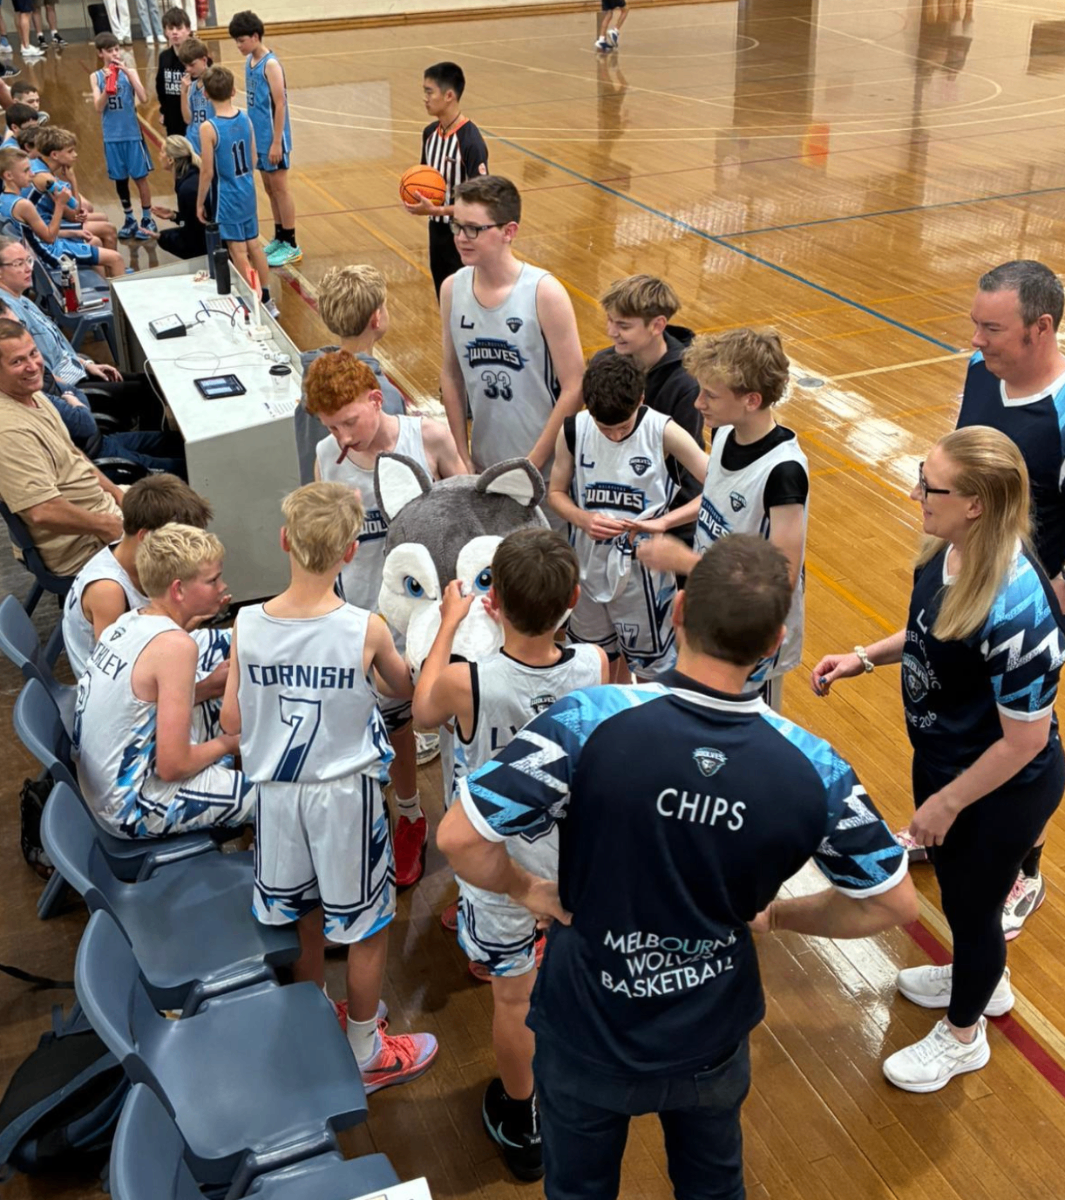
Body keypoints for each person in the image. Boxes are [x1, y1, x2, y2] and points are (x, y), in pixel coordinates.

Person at [437, 533, 916, 1199]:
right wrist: (777, 915)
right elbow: (891, 906)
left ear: (680, 611)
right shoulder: (817, 767)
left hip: (586, 1027)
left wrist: (526, 889)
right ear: (775, 640)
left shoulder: (588, 720)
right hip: (709, 1037)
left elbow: (459, 836)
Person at [812, 427, 1065, 1091]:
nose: (915, 491)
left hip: (999, 788)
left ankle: (963, 1034)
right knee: (961, 900)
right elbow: (928, 632)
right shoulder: (946, 550)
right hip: (947, 761)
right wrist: (864, 656)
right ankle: (978, 979)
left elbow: (1025, 742)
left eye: (930, 485)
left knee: (973, 906)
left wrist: (946, 803)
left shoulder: (1018, 609)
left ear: (975, 503)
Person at [220, 481, 439, 1091]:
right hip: (344, 798)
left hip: (276, 797)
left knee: (304, 918)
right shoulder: (364, 627)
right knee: (367, 928)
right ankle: (366, 1050)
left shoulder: (245, 623)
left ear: (285, 540)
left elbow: (233, 722)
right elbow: (403, 694)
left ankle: (316, 1019)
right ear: (349, 554)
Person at [414, 530, 607, 1181]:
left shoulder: (467, 681)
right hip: (573, 858)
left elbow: (417, 714)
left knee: (511, 1001)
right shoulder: (594, 665)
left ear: (490, 603)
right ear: (574, 599)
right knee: (569, 978)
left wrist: (446, 623)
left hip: (498, 867)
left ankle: (523, 1116)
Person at [304, 350, 466, 889]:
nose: (343, 436)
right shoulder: (329, 457)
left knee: (457, 728)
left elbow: (471, 526)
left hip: (437, 621)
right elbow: (325, 545)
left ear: (376, 398)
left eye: (350, 420)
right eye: (331, 426)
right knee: (397, 730)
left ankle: (472, 831)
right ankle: (411, 816)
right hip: (371, 623)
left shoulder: (433, 438)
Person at [953, 260, 1065, 937]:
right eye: (976, 323)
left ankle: (1024, 861)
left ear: (1040, 328)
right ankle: (959, 824)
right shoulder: (977, 371)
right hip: (963, 585)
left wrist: (1046, 611)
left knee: (1021, 736)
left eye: (991, 328)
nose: (978, 339)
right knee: (960, 719)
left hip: (1028, 611)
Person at [636, 328, 809, 710]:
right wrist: (666, 522)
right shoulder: (727, 432)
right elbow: (717, 499)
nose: (698, 403)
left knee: (744, 730)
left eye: (710, 395)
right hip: (715, 605)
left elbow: (780, 576)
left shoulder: (784, 472)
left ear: (751, 400)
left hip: (753, 632)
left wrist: (687, 562)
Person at [73, 522, 254, 838]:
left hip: (101, 785)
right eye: (213, 580)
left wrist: (209, 688)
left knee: (217, 687)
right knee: (282, 795)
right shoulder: (174, 647)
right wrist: (230, 743)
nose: (223, 586)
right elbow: (172, 767)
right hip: (131, 806)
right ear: (178, 589)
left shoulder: (131, 620)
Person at [548, 353, 709, 682]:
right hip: (589, 569)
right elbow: (555, 494)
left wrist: (665, 522)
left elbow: (719, 489)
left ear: (641, 399)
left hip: (645, 576)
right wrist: (581, 519)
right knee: (596, 665)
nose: (616, 436)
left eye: (623, 427)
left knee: (653, 672)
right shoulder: (573, 430)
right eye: (605, 428)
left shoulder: (664, 431)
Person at [439, 176, 584, 504]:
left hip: (545, 474)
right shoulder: (452, 289)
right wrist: (461, 456)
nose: (462, 238)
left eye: (474, 229)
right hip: (483, 469)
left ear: (509, 231)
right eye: (457, 226)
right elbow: (451, 374)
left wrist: (531, 464)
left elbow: (575, 386)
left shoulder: (545, 293)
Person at [0, 319, 124, 577]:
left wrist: (115, 493)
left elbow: (73, 454)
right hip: (84, 545)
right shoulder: (9, 432)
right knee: (186, 541)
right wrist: (109, 526)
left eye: (33, 353)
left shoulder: (33, 396)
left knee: (183, 505)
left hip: (100, 514)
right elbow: (42, 512)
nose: (33, 366)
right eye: (17, 362)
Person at [591, 274, 703, 544]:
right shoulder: (603, 363)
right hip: (615, 504)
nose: (611, 331)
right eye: (609, 320)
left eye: (623, 325)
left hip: (671, 521)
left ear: (657, 325)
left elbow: (683, 465)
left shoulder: (686, 382)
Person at [0, 236, 155, 416]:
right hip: (69, 389)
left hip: (76, 371)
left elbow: (57, 346)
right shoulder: (8, 314)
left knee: (148, 381)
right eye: (18, 264)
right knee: (149, 391)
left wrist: (86, 364)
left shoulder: (22, 298)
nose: (28, 268)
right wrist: (73, 394)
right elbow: (39, 374)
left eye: (28, 260)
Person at [403, 62, 488, 299]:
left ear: (449, 95)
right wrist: (414, 197)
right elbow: (423, 180)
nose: (425, 98)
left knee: (467, 302)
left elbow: (481, 203)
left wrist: (439, 209)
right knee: (445, 299)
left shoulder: (471, 142)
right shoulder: (429, 134)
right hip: (436, 232)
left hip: (464, 235)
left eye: (429, 92)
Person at [196, 66, 275, 316]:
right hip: (247, 190)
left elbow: (207, 172)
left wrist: (200, 202)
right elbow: (252, 158)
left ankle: (253, 301)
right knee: (255, 246)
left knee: (238, 251)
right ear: (233, 90)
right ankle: (268, 300)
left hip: (227, 196)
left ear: (206, 95)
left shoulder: (208, 127)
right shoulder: (245, 117)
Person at [228, 10, 300, 268]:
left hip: (274, 139)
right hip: (258, 138)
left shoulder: (270, 64)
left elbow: (280, 104)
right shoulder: (249, 62)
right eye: (236, 40)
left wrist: (277, 142)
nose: (238, 45)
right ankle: (280, 236)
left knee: (281, 188)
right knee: (270, 189)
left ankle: (291, 243)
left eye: (241, 40)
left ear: (255, 36)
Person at [0, 148, 124, 277]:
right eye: (26, 171)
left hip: (39, 251)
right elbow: (49, 237)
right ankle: (116, 292)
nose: (32, 174)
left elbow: (36, 234)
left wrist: (75, 232)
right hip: (49, 255)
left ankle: (104, 287)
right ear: (9, 176)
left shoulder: (3, 199)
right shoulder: (23, 205)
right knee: (116, 259)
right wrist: (60, 204)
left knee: (95, 242)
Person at [91, 34, 157, 243]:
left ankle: (147, 219)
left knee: (140, 178)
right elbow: (98, 107)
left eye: (116, 49)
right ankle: (129, 219)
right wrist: (107, 88)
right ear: (101, 53)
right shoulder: (96, 77)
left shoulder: (129, 72)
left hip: (132, 134)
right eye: (109, 51)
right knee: (120, 180)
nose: (114, 54)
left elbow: (144, 98)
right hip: (112, 136)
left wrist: (128, 73)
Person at [31, 127, 119, 250]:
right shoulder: (47, 180)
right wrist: (72, 180)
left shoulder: (37, 163)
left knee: (102, 217)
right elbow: (74, 215)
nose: (75, 155)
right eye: (70, 151)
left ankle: (105, 265)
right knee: (109, 230)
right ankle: (111, 263)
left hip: (45, 219)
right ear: (54, 155)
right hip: (44, 228)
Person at [151, 134, 204, 259]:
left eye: (162, 152)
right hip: (207, 234)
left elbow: (191, 230)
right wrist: (174, 216)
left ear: (171, 160)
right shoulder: (191, 177)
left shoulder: (187, 189)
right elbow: (191, 222)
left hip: (208, 243)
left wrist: (161, 237)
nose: (159, 155)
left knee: (165, 237)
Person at [156, 8, 193, 138]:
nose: (175, 32)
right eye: (171, 29)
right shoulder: (164, 57)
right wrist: (163, 110)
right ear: (166, 32)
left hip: (193, 118)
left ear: (188, 29)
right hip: (172, 117)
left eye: (179, 28)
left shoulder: (199, 55)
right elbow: (160, 87)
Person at [177, 37, 212, 154]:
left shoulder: (215, 82)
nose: (188, 70)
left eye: (192, 65)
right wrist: (183, 93)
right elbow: (188, 119)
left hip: (210, 143)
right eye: (186, 66)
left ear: (204, 60)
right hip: (193, 143)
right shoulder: (192, 85)